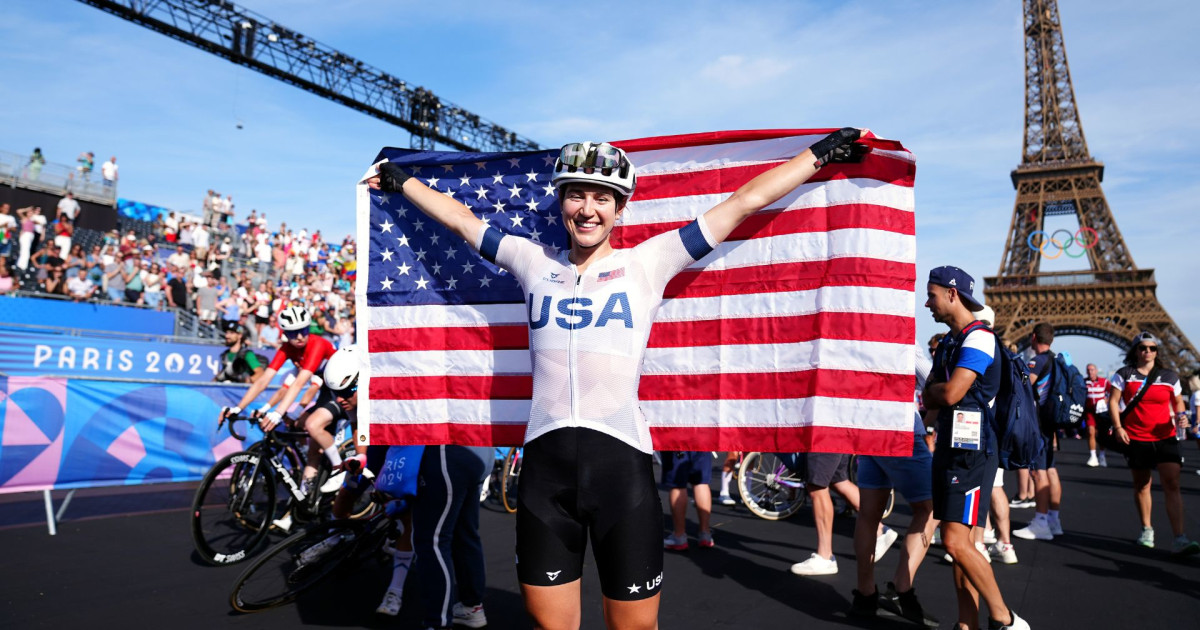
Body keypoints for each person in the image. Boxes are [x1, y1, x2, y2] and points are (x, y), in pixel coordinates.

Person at [368, 128, 871, 628]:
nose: (588, 209)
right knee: (549, 626)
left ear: (619, 208)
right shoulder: (530, 260)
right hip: (546, 472)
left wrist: (817, 156)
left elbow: (743, 203)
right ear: (561, 202)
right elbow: (461, 220)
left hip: (621, 469)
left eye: (602, 198)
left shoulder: (648, 262)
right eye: (577, 195)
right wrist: (401, 180)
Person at [923, 265, 1029, 630]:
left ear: (952, 294)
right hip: (954, 449)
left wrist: (936, 392)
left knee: (954, 541)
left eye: (931, 294)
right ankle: (966, 623)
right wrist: (936, 393)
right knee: (960, 545)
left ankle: (1005, 619)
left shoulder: (979, 339)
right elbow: (934, 397)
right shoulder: (953, 341)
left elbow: (945, 393)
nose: (926, 303)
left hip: (972, 452)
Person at [849, 343, 940, 627]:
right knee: (932, 507)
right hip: (900, 430)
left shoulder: (858, 341)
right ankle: (902, 588)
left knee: (868, 514)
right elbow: (934, 382)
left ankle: (866, 594)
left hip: (867, 429)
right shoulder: (901, 341)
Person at [221, 305, 345, 505]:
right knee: (311, 446)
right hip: (326, 390)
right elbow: (263, 381)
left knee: (312, 424)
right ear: (284, 333)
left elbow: (300, 384)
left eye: (303, 330)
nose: (299, 336)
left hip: (342, 390)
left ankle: (340, 468)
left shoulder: (317, 343)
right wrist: (238, 408)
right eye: (292, 333)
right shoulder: (287, 349)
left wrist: (278, 413)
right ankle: (304, 503)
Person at [1108, 332, 1199, 554]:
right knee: (1142, 485)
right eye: (1143, 348)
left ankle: (1180, 537)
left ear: (1157, 352)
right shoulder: (1125, 374)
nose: (1147, 352)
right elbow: (1113, 401)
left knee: (1173, 484)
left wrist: (1182, 416)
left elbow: (1177, 401)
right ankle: (1147, 528)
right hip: (1137, 438)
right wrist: (1119, 427)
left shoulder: (1169, 376)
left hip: (1165, 436)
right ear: (1136, 351)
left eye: (1152, 348)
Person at [1013, 322, 1063, 542]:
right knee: (1051, 471)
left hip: (1039, 425)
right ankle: (1053, 519)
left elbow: (1022, 390)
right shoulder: (1058, 360)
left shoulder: (1036, 361)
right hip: (1052, 424)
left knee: (1038, 472)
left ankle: (1041, 522)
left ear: (1033, 337)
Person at [662, 451, 716, 550]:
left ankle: (679, 536)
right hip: (701, 438)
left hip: (677, 440)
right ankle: (705, 533)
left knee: (677, 484)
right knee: (701, 482)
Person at [1083, 363, 1110, 468]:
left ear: (1096, 370)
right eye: (1088, 370)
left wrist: (1106, 400)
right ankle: (1093, 456)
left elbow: (1113, 391)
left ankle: (1102, 455)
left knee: (1102, 434)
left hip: (1102, 412)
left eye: (1092, 370)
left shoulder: (1104, 382)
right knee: (1090, 432)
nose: (1090, 372)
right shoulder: (1084, 382)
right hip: (1089, 411)